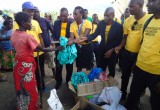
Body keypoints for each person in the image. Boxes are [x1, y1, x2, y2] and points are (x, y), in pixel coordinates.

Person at [11, 12, 63, 110]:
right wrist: (57, 48)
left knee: (20, 87)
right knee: (29, 88)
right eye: (29, 22)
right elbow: (42, 49)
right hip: (26, 65)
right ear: (23, 23)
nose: (31, 24)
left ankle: (22, 106)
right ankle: (31, 107)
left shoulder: (14, 34)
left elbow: (20, 47)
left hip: (17, 64)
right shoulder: (27, 36)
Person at [124, 0, 160, 109]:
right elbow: (144, 43)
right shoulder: (148, 21)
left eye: (152, 1)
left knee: (155, 103)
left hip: (156, 74)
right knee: (132, 98)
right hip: (140, 68)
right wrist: (136, 62)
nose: (148, 4)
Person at [115, 0, 152, 102]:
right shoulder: (128, 21)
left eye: (132, 7)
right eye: (129, 7)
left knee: (138, 80)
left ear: (140, 6)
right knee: (125, 75)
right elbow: (125, 37)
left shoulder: (149, 19)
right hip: (127, 53)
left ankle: (136, 100)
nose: (129, 9)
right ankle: (123, 94)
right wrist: (119, 46)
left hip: (140, 55)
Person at [75, 7, 123, 77]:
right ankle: (101, 83)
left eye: (107, 16)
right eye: (104, 15)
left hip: (112, 52)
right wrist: (86, 38)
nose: (105, 17)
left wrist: (112, 50)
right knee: (101, 69)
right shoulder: (101, 23)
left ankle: (110, 85)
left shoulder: (118, 26)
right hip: (102, 50)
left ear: (113, 16)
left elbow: (118, 41)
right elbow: (94, 34)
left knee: (111, 70)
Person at [13, 1, 46, 92]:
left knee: (40, 71)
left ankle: (41, 87)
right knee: (30, 74)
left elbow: (40, 36)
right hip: (28, 55)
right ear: (23, 10)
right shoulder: (17, 24)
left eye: (32, 11)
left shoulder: (35, 22)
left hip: (39, 52)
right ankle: (33, 90)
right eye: (29, 11)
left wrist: (44, 50)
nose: (32, 13)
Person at [52, 7, 73, 89]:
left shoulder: (71, 23)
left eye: (64, 16)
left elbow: (72, 35)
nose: (62, 18)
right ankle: (59, 81)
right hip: (59, 48)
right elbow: (54, 33)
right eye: (61, 16)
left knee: (69, 66)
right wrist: (54, 39)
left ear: (67, 15)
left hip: (68, 48)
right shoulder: (56, 23)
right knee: (58, 66)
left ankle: (68, 81)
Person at [68, 6, 93, 72]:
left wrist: (73, 41)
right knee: (79, 66)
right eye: (73, 14)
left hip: (87, 47)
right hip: (78, 48)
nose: (74, 15)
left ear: (81, 14)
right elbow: (71, 37)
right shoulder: (72, 25)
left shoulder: (88, 23)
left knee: (89, 66)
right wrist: (65, 40)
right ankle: (79, 79)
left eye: (76, 14)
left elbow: (83, 38)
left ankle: (89, 81)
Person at [33, 7, 56, 79]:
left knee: (51, 60)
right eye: (34, 12)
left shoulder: (44, 20)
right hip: (37, 47)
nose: (36, 13)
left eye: (37, 11)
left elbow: (52, 30)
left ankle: (54, 74)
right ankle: (42, 76)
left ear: (39, 12)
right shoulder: (30, 22)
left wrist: (53, 40)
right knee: (40, 63)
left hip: (47, 45)